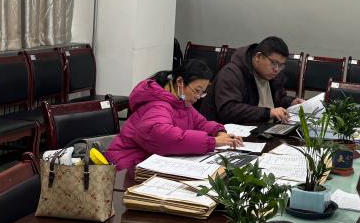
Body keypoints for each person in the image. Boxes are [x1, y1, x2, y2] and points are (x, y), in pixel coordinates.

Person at [105, 60, 242, 171]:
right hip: (125, 167)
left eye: (202, 93)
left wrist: (219, 132)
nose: (198, 97)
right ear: (180, 82)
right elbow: (163, 137)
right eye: (196, 90)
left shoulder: (181, 102)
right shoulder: (158, 105)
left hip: (147, 163)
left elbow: (200, 123)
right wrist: (212, 142)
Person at [199, 36, 300, 124]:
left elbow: (278, 99)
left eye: (281, 65)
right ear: (258, 57)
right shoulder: (231, 73)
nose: (277, 69)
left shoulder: (272, 74)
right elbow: (228, 110)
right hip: (226, 133)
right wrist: (268, 113)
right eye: (274, 63)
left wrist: (291, 103)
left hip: (262, 128)